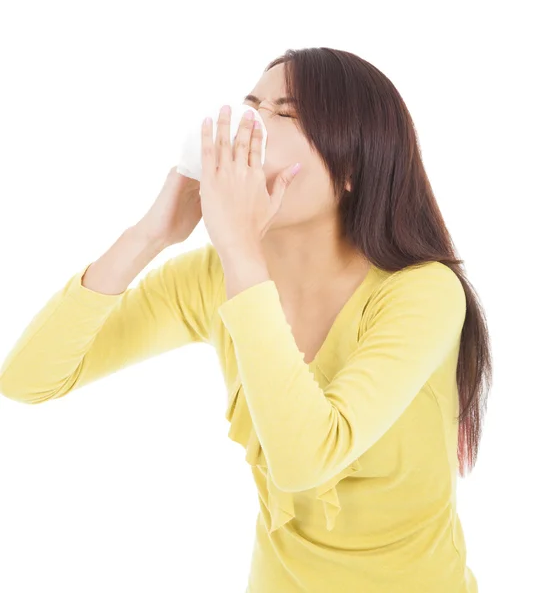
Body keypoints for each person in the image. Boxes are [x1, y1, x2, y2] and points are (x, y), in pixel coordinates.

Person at [0, 47, 490, 593]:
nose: (250, 126)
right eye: (251, 104)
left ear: (351, 166)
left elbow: (307, 460)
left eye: (287, 113)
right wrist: (149, 236)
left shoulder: (423, 292)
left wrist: (239, 251)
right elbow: (28, 381)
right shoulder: (214, 276)